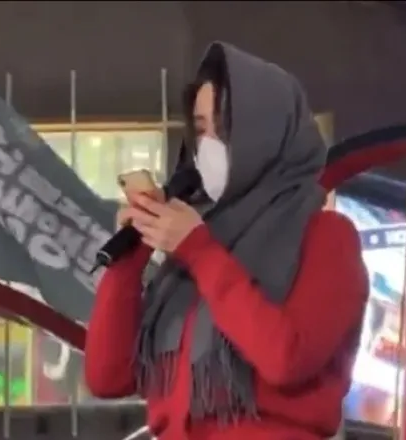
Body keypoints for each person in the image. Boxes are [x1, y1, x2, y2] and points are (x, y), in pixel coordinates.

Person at [85, 41, 369, 440]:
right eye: (202, 129)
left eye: (226, 127)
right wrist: (130, 259)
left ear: (269, 133)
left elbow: (286, 359)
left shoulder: (327, 237)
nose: (209, 145)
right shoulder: (195, 240)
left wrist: (200, 251)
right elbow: (107, 377)